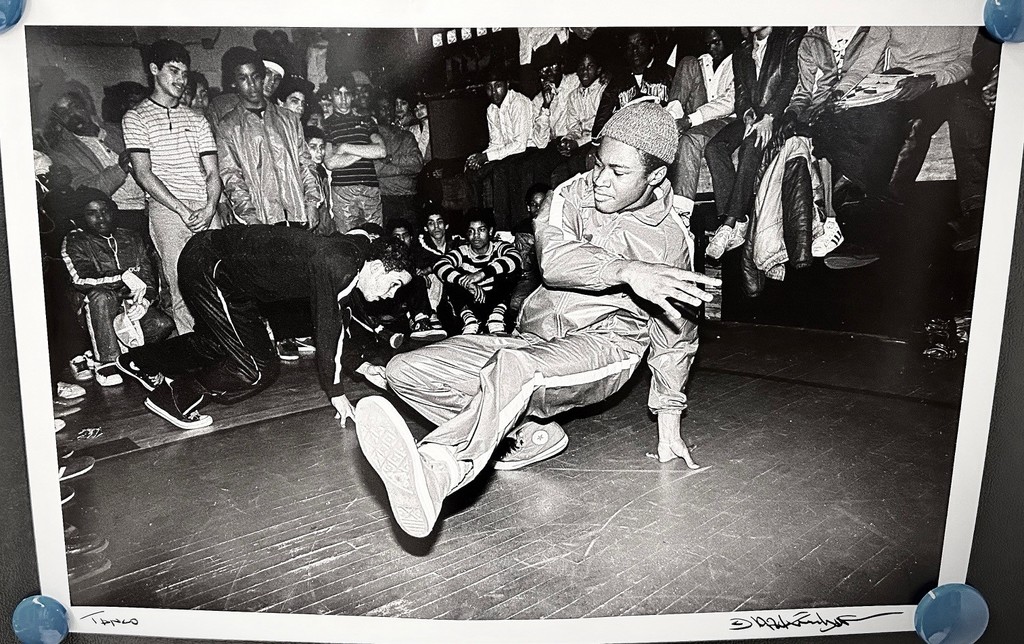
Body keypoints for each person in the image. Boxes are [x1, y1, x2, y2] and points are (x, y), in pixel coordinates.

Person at [355, 100, 720, 539]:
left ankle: (440, 468)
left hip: (608, 345)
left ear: (655, 177)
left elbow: (677, 336)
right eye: (598, 162)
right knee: (405, 370)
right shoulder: (573, 193)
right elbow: (555, 261)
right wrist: (628, 270)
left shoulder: (671, 240)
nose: (600, 179)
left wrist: (669, 422)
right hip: (533, 337)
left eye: (618, 172)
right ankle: (524, 436)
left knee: (515, 369)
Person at [115, 226, 413, 429]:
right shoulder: (340, 265)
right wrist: (336, 391)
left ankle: (139, 360)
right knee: (255, 369)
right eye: (394, 284)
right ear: (377, 267)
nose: (391, 295)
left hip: (228, 275)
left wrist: (361, 366)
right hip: (211, 266)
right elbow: (327, 328)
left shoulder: (356, 255)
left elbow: (339, 319)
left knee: (219, 344)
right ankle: (172, 396)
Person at [122, 39, 221, 335]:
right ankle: (194, 347)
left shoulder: (197, 119)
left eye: (184, 73)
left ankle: (225, 345)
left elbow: (213, 172)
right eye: (173, 71)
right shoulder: (135, 117)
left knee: (219, 279)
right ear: (154, 69)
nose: (180, 80)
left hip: (205, 208)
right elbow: (144, 174)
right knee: (182, 286)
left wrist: (209, 207)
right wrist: (182, 209)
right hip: (168, 211)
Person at [704, 27, 804, 259]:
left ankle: (729, 224)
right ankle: (739, 219)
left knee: (751, 145)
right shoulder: (742, 50)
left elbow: (790, 79)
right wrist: (747, 113)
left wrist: (770, 116)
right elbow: (741, 93)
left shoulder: (788, 36)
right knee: (714, 148)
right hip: (754, 116)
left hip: (779, 115)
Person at [60, 187, 174, 385]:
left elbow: (148, 277)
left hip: (128, 310)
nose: (101, 217)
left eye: (105, 211)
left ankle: (130, 353)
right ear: (81, 216)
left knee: (162, 324)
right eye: (92, 213)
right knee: (102, 296)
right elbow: (81, 279)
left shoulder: (131, 237)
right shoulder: (75, 240)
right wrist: (122, 277)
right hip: (93, 312)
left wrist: (145, 301)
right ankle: (107, 362)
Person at [215, 47, 323, 229]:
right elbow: (232, 177)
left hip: (298, 215)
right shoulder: (228, 126)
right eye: (243, 78)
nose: (252, 84)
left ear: (262, 77)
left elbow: (306, 164)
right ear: (233, 83)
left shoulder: (289, 119)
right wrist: (251, 218)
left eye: (256, 76)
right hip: (262, 220)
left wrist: (312, 203)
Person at [668, 28, 738, 219]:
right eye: (708, 44)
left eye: (717, 42)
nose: (712, 48)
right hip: (700, 113)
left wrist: (690, 120)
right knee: (688, 61)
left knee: (690, 139)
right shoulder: (703, 60)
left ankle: (681, 214)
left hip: (725, 119)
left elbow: (729, 102)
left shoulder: (739, 60)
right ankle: (669, 123)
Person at [433, 208, 523, 336]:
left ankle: (496, 317)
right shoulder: (462, 251)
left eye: (481, 230)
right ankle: (469, 320)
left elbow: (516, 257)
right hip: (472, 304)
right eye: (471, 231)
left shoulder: (499, 247)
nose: (476, 235)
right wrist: (466, 282)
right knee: (451, 279)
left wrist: (481, 274)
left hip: (496, 303)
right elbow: (439, 264)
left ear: (490, 231)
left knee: (508, 273)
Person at [323, 76, 387, 233]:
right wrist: (366, 151)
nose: (343, 99)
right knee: (349, 239)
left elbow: (381, 151)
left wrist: (344, 147)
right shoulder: (327, 124)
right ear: (331, 96)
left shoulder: (366, 120)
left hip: (370, 188)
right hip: (343, 191)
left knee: (375, 236)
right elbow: (330, 162)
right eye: (338, 94)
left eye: (347, 93)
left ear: (352, 96)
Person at [591, 29, 674, 135]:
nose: (634, 50)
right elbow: (602, 119)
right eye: (629, 46)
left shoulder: (669, 73)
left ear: (651, 47)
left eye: (640, 43)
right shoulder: (618, 81)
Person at [464, 72, 534, 172]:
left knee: (498, 171)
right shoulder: (491, 109)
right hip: (511, 154)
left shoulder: (518, 103)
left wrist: (486, 157)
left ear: (507, 84)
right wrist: (477, 158)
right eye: (489, 87)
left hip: (530, 152)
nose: (493, 92)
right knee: (477, 171)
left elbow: (520, 145)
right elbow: (496, 143)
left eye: (498, 86)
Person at [372, 92, 424, 225]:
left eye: (390, 107)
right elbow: (375, 170)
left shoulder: (406, 136)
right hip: (384, 198)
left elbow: (417, 164)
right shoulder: (371, 138)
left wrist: (391, 159)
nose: (388, 111)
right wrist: (404, 170)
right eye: (383, 108)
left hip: (408, 198)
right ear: (375, 112)